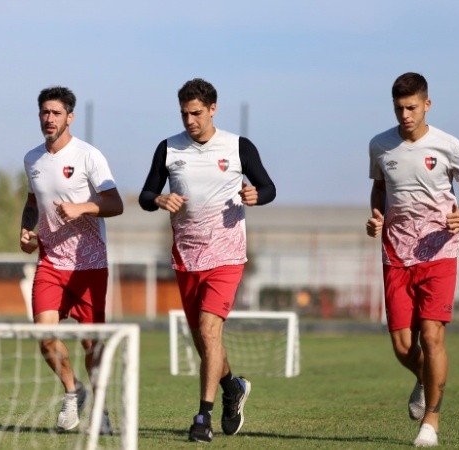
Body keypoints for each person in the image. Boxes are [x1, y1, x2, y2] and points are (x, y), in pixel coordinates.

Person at [139, 78, 276, 442]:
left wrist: (255, 195)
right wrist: (159, 200)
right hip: (186, 257)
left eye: (196, 113)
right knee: (204, 341)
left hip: (227, 255)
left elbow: (269, 187)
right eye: (184, 113)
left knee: (209, 330)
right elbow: (145, 193)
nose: (189, 120)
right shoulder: (168, 149)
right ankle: (233, 387)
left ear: (213, 109)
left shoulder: (237, 147)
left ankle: (203, 416)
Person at [366, 72, 459, 447]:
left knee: (432, 337)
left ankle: (431, 423)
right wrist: (376, 217)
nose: (405, 115)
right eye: (399, 108)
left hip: (439, 252)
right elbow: (379, 188)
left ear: (427, 105)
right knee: (404, 347)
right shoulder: (380, 146)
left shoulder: (449, 146)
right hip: (395, 254)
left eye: (412, 107)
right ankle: (425, 378)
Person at [19, 86, 123, 435]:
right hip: (50, 263)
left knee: (91, 344)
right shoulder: (32, 159)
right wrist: (26, 230)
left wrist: (83, 207)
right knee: (45, 336)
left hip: (89, 264)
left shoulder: (89, 156)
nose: (49, 119)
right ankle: (72, 391)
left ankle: (101, 410)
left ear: (70, 117)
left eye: (56, 113)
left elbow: (115, 203)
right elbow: (33, 201)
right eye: (44, 113)